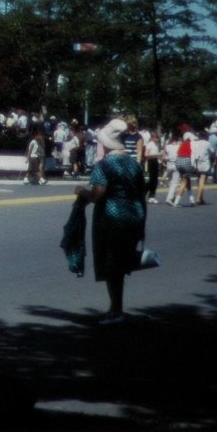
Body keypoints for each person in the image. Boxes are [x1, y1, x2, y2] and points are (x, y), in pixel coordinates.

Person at [73, 119, 148, 325]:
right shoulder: (135, 165)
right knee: (121, 265)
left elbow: (98, 194)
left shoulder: (104, 165)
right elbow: (142, 195)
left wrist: (82, 192)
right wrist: (142, 225)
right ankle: (117, 307)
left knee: (112, 265)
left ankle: (116, 310)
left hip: (111, 217)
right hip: (134, 215)